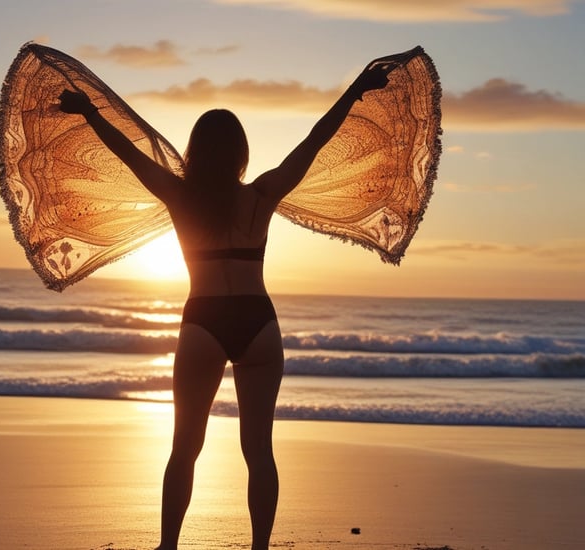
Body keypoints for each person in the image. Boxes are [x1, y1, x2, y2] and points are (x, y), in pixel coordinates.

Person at [57, 62, 392, 550]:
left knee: (184, 450)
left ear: (195, 151)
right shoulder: (262, 194)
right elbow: (315, 142)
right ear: (240, 154)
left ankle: (168, 547)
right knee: (259, 451)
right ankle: (259, 549)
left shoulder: (178, 195)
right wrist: (356, 91)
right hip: (258, 321)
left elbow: (128, 156)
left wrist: (89, 112)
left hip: (203, 322)